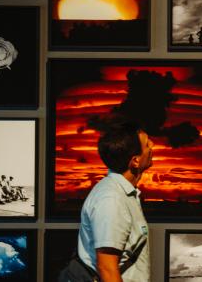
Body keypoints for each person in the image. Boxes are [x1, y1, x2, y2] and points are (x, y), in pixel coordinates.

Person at [71, 119, 153, 282]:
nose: (152, 146)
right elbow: (107, 269)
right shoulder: (112, 200)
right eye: (147, 145)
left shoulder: (122, 193)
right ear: (135, 161)